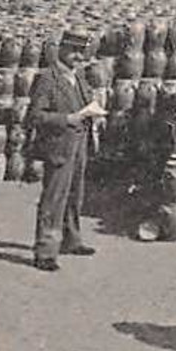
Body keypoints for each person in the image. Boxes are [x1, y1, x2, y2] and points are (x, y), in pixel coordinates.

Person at [29, 28, 105, 271]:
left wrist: (95, 112)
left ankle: (71, 239)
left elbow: (85, 102)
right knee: (54, 198)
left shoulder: (78, 77)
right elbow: (36, 116)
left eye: (81, 53)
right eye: (73, 52)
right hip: (59, 144)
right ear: (61, 50)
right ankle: (45, 251)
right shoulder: (48, 78)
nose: (78, 57)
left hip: (79, 143)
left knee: (75, 194)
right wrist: (67, 118)